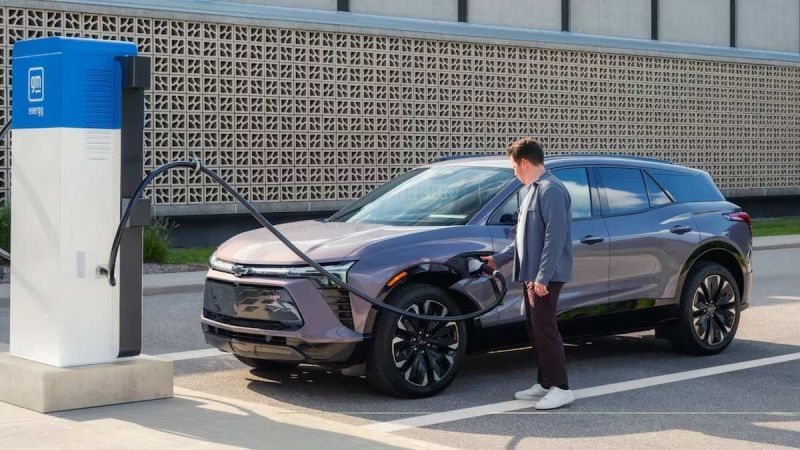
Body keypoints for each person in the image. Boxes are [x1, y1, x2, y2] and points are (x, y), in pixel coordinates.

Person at [481, 137, 575, 410]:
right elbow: (522, 237)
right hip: (531, 274)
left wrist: (543, 276)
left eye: (514, 167)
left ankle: (561, 388)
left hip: (545, 275)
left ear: (524, 162)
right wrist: (499, 259)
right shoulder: (531, 190)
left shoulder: (551, 190)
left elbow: (554, 237)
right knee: (535, 328)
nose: (514, 173)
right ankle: (545, 383)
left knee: (545, 329)